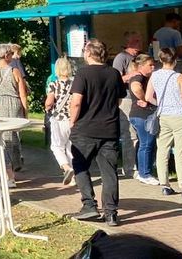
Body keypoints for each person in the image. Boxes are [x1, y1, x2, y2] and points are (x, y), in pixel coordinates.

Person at [69, 40, 124, 226]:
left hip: (85, 129)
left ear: (88, 53)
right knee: (109, 171)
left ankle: (89, 205)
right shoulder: (114, 73)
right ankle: (111, 213)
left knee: (80, 166)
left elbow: (76, 101)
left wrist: (72, 121)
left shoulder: (83, 73)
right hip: (109, 129)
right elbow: (118, 101)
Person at [146, 47, 182, 200]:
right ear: (175, 60)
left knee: (162, 150)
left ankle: (165, 185)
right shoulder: (179, 77)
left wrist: (162, 104)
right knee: (180, 153)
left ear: (160, 59)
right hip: (180, 117)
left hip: (163, 116)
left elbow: (148, 96)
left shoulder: (154, 75)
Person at [0, 43, 28, 183]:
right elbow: (23, 94)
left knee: (0, 139)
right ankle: (13, 169)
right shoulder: (15, 71)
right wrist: (25, 111)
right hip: (13, 105)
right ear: (7, 55)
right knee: (14, 138)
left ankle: (7, 172)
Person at [111, 31, 143, 177]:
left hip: (138, 99)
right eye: (135, 41)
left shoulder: (139, 58)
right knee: (129, 134)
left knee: (139, 134)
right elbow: (115, 79)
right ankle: (130, 168)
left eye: (139, 41)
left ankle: (140, 165)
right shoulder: (121, 58)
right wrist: (132, 76)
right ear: (128, 43)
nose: (139, 44)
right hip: (126, 99)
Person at [127, 54, 159, 185]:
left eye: (153, 65)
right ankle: (145, 173)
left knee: (143, 143)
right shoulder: (138, 77)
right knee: (147, 144)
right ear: (141, 66)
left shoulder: (144, 77)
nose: (153, 67)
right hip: (142, 115)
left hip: (138, 115)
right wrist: (145, 99)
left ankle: (143, 170)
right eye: (150, 65)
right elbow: (135, 87)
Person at [44, 57, 75, 185]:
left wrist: (47, 107)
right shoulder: (75, 83)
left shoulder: (54, 84)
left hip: (59, 119)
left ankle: (66, 168)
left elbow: (50, 101)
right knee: (70, 147)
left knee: (57, 146)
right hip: (73, 119)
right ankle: (74, 176)